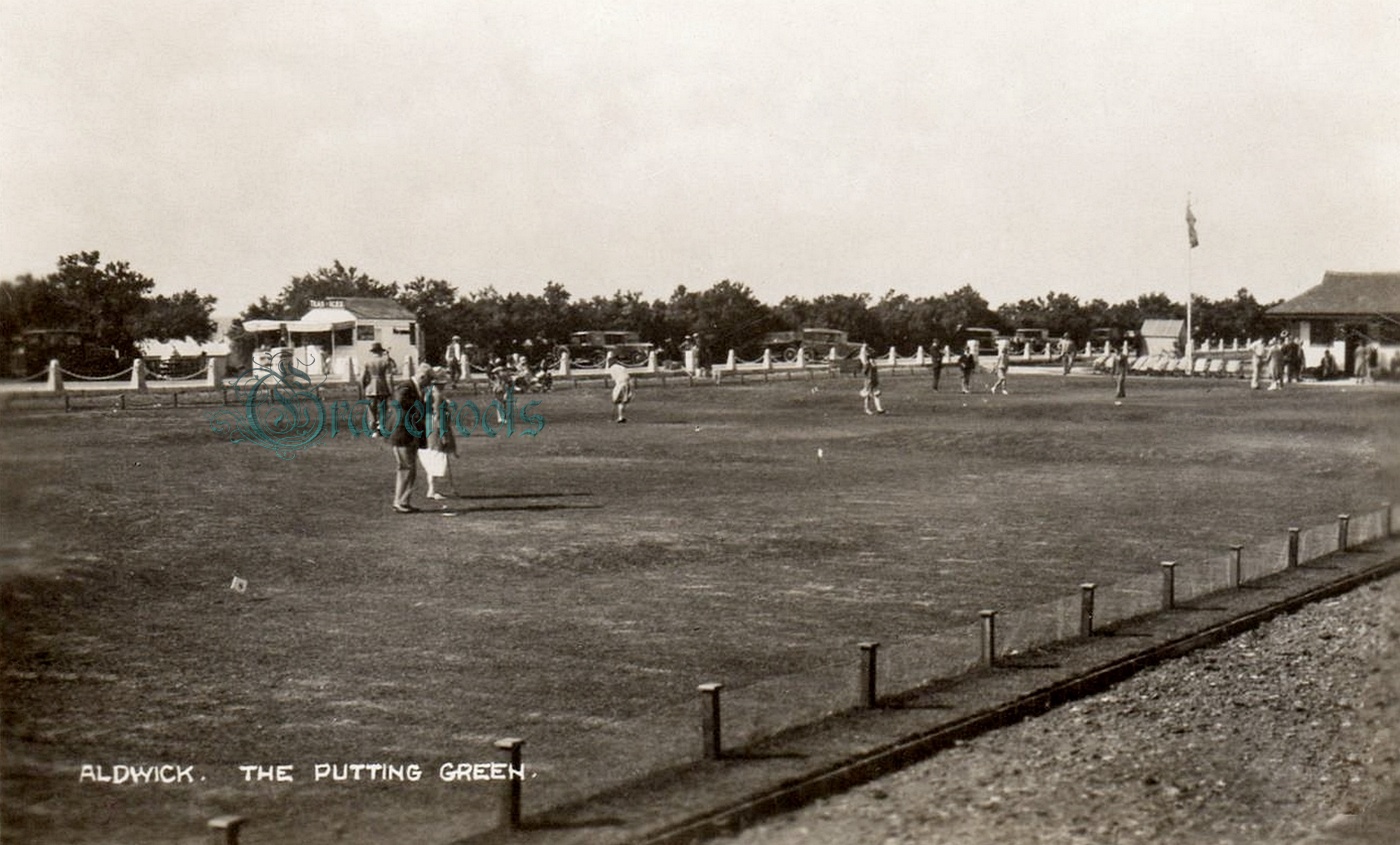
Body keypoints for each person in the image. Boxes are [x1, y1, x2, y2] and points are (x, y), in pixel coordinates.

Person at [388, 374, 427, 513]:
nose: (428, 384)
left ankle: (403, 501)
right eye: (428, 380)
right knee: (406, 468)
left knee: (408, 469)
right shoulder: (407, 386)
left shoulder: (413, 388)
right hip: (402, 434)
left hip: (407, 433)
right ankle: (400, 502)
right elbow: (399, 401)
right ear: (422, 377)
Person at [419, 367, 458, 500]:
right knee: (436, 457)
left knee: (431, 457)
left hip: (428, 425)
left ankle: (432, 489)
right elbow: (439, 416)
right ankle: (433, 489)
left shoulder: (428, 393)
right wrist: (443, 434)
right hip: (436, 427)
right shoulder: (437, 396)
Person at [361, 342, 397, 436]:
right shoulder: (385, 361)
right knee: (383, 408)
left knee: (371, 410)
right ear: (380, 351)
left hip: (370, 388)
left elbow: (362, 377)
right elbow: (389, 377)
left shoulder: (367, 362)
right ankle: (381, 427)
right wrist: (391, 390)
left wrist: (363, 387)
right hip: (382, 386)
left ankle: (373, 429)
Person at [606, 351, 634, 423]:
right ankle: (621, 417)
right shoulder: (621, 367)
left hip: (621, 384)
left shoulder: (612, 369)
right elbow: (628, 377)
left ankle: (621, 417)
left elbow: (615, 379)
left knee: (618, 401)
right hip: (626, 384)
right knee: (622, 402)